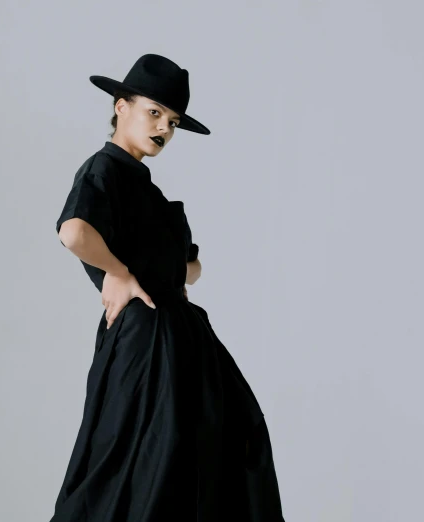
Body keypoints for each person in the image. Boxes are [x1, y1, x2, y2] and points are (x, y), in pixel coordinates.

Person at [49, 54, 285, 522]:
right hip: (146, 339)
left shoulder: (149, 192)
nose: (164, 128)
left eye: (172, 121)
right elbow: (74, 231)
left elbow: (189, 270)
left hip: (182, 335)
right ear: (121, 107)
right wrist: (117, 273)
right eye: (154, 112)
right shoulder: (105, 169)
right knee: (145, 462)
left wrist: (177, 265)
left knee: (223, 444)